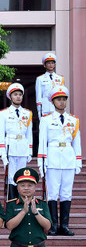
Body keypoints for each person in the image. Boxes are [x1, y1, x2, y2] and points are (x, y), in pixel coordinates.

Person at [38, 86, 81, 236]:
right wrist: (41, 162)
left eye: (64, 99)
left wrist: (78, 161)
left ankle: (65, 225)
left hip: (68, 158)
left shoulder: (73, 120)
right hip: (52, 158)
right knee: (53, 193)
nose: (61, 102)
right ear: (53, 101)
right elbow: (42, 142)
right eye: (58, 99)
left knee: (66, 193)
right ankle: (53, 225)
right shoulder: (46, 120)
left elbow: (77, 142)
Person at [0, 83, 33, 201]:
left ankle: (21, 203)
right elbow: (1, 135)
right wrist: (3, 153)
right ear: (10, 97)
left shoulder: (27, 114)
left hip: (23, 148)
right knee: (11, 178)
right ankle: (12, 205)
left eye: (20, 95)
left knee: (22, 177)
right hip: (10, 148)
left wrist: (30, 151)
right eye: (15, 94)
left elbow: (29, 134)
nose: (18, 97)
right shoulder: (4, 113)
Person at [35, 52, 64, 120]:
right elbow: (38, 96)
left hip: (57, 107)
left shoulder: (60, 78)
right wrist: (39, 111)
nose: (51, 65)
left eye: (52, 63)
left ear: (55, 64)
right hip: (45, 108)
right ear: (45, 65)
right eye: (48, 63)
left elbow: (62, 94)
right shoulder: (40, 79)